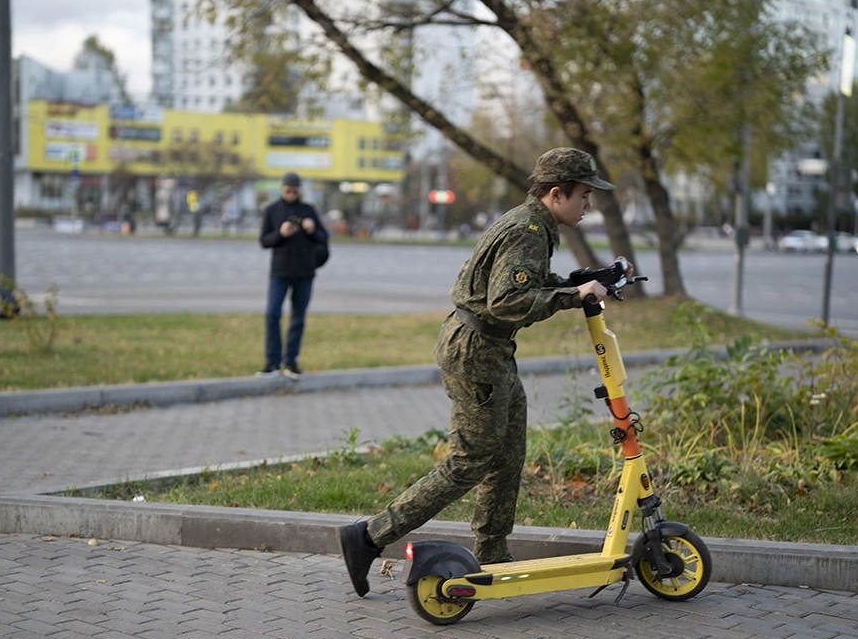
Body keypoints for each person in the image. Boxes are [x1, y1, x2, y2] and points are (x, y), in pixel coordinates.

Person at [338, 147, 621, 597]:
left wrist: (574, 281)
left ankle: (491, 553)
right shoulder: (528, 230)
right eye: (585, 195)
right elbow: (504, 301)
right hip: (476, 352)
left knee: (508, 453)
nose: (590, 204)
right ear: (556, 194)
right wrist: (573, 297)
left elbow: (516, 284)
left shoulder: (533, 223)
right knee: (468, 463)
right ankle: (369, 536)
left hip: (489, 349)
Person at [258, 171, 327, 381]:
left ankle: (291, 362)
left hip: (305, 272)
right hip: (280, 272)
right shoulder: (272, 210)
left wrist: (312, 229)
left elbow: (324, 238)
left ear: (299, 190)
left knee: (298, 319)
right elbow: (264, 241)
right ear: (281, 189)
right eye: (287, 190)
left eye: (294, 190)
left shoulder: (308, 210)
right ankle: (272, 363)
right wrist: (281, 233)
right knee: (272, 313)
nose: (290, 194)